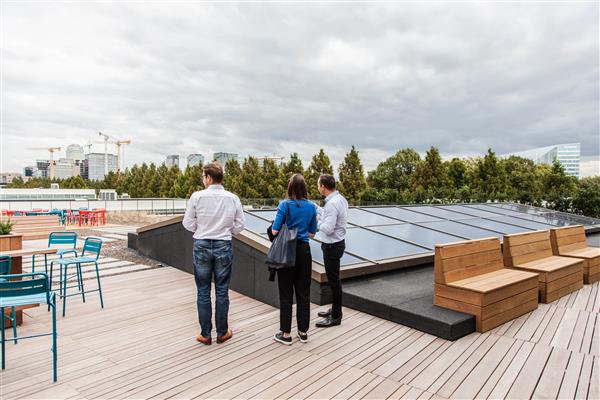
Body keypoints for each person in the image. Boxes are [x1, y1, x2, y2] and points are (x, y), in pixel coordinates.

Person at [182, 162, 245, 345]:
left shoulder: (197, 197)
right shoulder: (232, 198)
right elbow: (240, 224)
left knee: (203, 291)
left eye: (203, 176)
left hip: (201, 244)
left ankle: (206, 334)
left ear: (208, 178)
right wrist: (226, 231)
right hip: (223, 245)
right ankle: (223, 332)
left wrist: (201, 229)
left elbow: (187, 223)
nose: (203, 180)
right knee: (222, 290)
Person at [271, 174, 317, 345]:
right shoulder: (311, 207)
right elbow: (312, 233)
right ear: (304, 188)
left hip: (286, 251)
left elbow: (275, 231)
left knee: (286, 293)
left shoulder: (285, 205)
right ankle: (303, 332)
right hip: (304, 251)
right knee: (303, 293)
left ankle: (286, 334)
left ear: (290, 187)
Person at [315, 174, 348, 328]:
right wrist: (318, 210)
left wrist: (316, 221)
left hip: (331, 246)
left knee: (334, 281)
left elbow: (327, 228)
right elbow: (330, 215)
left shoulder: (332, 204)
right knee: (334, 280)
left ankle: (336, 316)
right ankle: (335, 309)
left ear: (323, 186)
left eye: (318, 185)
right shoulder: (340, 199)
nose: (317, 187)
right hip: (338, 244)